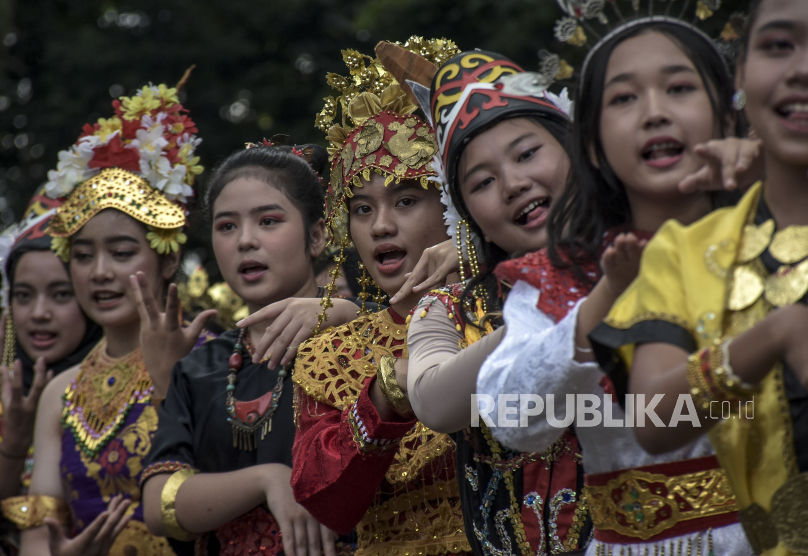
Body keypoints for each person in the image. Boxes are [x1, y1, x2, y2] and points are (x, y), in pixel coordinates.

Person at [476, 13, 757, 555]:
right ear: (595, 146)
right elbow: (510, 419)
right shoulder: (560, 280)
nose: (655, 112)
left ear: (726, 116)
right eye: (624, 99)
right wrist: (599, 302)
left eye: (678, 88)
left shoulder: (784, 230)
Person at [591, 0, 808, 554]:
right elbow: (652, 419)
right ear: (742, 76)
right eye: (779, 45)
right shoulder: (683, 252)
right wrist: (775, 334)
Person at [395, 45, 594, 553]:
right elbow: (436, 403)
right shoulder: (448, 308)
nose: (513, 183)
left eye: (528, 154)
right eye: (482, 182)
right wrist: (557, 309)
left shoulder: (655, 256)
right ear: (466, 215)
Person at [279, 38, 474, 556]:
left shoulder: (515, 307)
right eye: (362, 209)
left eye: (405, 200)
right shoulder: (331, 355)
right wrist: (387, 392)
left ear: (454, 202)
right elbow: (326, 503)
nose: (381, 226)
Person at [8, 81, 212, 556]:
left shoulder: (211, 360)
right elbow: (40, 534)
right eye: (82, 256)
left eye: (121, 253)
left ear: (166, 259)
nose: (100, 273)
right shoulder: (60, 393)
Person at [141, 142, 360, 556]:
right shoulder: (201, 368)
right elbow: (157, 501)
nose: (245, 240)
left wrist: (346, 313)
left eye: (268, 221)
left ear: (317, 236)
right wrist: (270, 479)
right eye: (226, 226)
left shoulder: (361, 336)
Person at [0, 189, 103, 553]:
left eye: (61, 294)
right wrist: (13, 444)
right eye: (24, 295)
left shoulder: (129, 383)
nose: (39, 313)